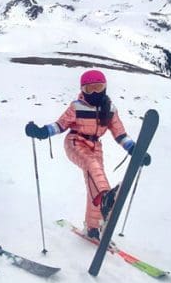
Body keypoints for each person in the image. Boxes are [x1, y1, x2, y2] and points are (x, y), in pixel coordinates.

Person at [25, 69, 150, 240]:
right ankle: (107, 198)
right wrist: (41, 132)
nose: (95, 93)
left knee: (94, 184)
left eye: (99, 87)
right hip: (75, 142)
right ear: (83, 90)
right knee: (93, 167)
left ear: (105, 88)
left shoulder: (110, 109)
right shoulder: (77, 106)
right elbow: (60, 125)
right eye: (90, 89)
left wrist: (134, 150)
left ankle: (92, 227)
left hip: (95, 146)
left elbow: (120, 134)